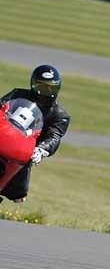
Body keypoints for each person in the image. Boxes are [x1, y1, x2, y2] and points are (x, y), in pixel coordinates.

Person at [0, 65, 70, 203]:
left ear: (57, 88)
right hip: (4, 134)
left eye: (50, 88)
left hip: (23, 149)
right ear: (33, 84)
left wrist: (42, 149)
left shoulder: (60, 115)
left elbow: (54, 136)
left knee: (18, 194)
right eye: (41, 87)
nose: (44, 92)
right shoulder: (18, 94)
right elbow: (1, 106)